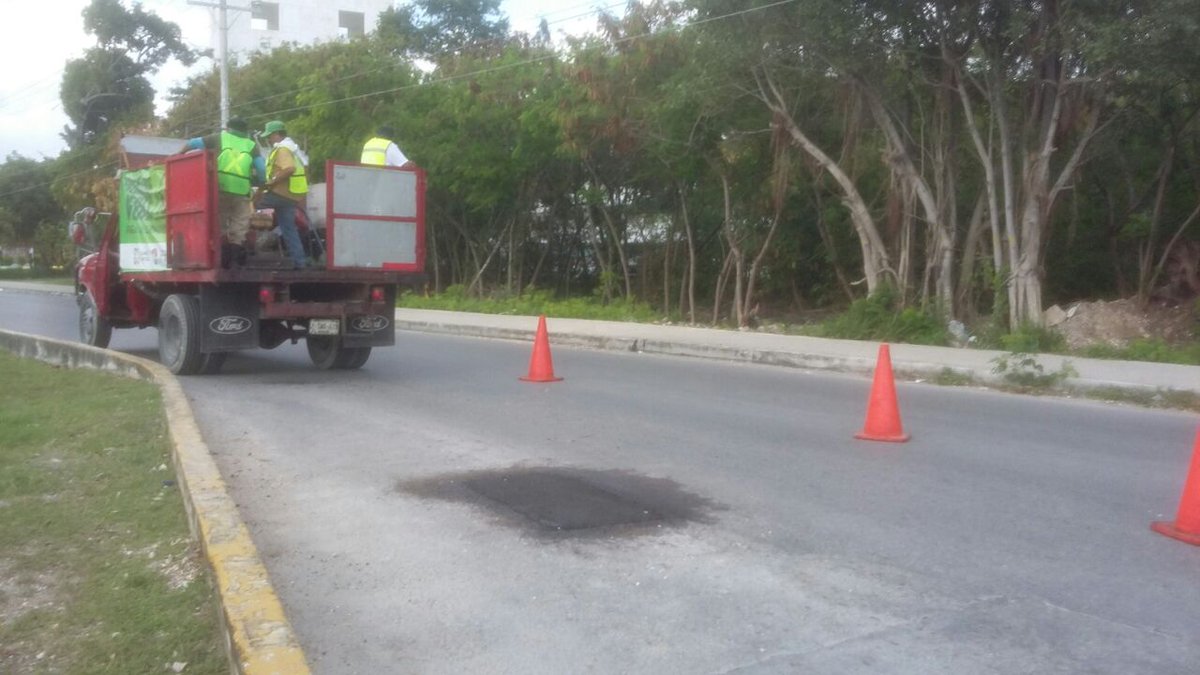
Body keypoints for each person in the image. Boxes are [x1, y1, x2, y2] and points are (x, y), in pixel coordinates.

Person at [183, 117, 265, 265]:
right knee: (239, 225)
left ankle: (220, 260)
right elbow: (261, 169)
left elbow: (192, 143)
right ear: (245, 131)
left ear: (228, 128)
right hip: (242, 190)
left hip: (220, 187)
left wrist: (178, 155)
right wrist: (262, 183)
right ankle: (234, 262)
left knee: (219, 222)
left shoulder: (219, 137)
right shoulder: (251, 145)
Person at [256, 120, 310, 268]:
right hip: (291, 195)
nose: (268, 139)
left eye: (270, 135)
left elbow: (289, 168)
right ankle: (300, 262)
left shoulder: (283, 149)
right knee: (289, 229)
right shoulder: (294, 148)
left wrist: (271, 182)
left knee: (249, 206)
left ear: (277, 134)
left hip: (280, 193)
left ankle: (243, 247)